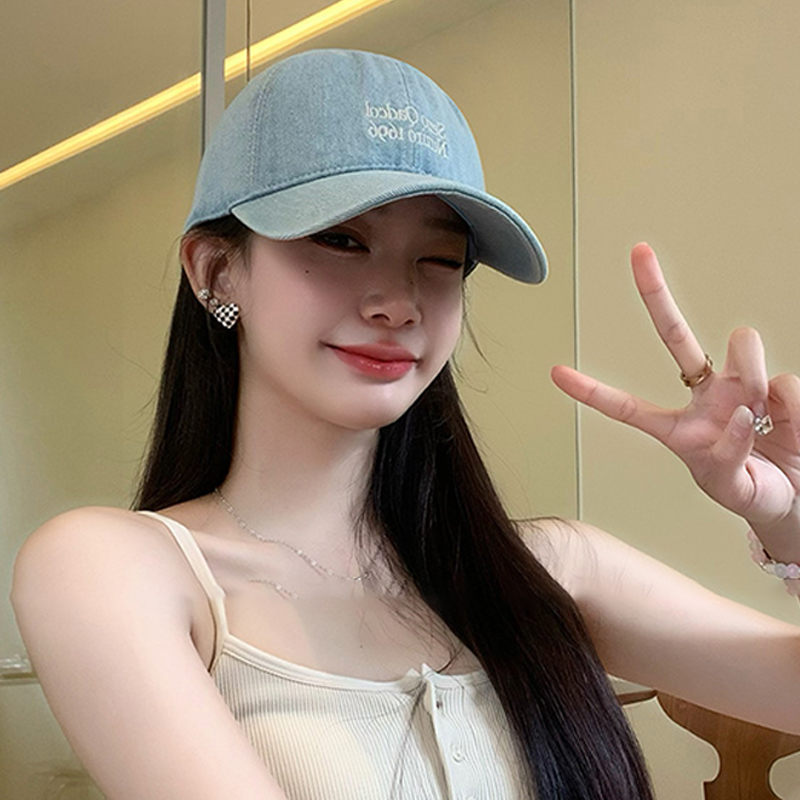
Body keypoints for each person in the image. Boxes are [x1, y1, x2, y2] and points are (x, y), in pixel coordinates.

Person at [10, 48, 800, 800]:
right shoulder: (118, 572)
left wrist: (790, 518)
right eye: (340, 239)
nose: (397, 302)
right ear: (216, 270)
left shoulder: (552, 570)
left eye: (441, 259)